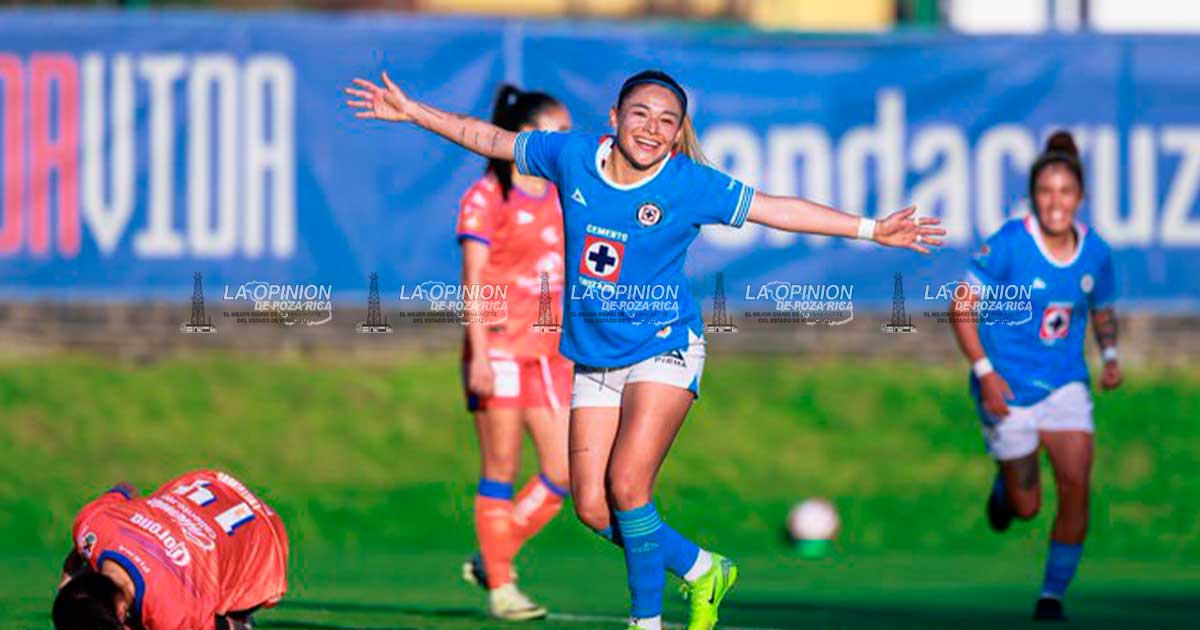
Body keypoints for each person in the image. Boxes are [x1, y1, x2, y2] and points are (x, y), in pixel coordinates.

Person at [346, 68, 942, 630]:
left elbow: (776, 209)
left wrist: (871, 229)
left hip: (665, 347)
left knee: (629, 488)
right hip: (595, 358)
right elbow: (492, 138)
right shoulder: (573, 155)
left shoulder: (690, 183)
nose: (652, 129)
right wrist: (413, 112)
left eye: (666, 120)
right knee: (593, 508)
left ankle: (647, 620)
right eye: (641, 114)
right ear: (615, 117)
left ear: (678, 131)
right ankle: (702, 569)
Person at [950, 131, 1121, 622]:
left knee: (1076, 486)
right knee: (1026, 507)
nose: (1056, 202)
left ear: (1079, 198)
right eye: (1046, 192)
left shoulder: (1096, 252)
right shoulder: (1008, 244)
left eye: (1065, 192)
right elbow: (961, 307)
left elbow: (1102, 307)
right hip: (1007, 386)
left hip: (1067, 383)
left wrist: (1109, 354)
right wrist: (983, 372)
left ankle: (1051, 596)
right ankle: (1006, 492)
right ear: (1033, 196)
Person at [455, 84, 573, 621]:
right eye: (560, 133)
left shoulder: (561, 194)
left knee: (565, 472)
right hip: (499, 350)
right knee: (501, 467)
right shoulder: (487, 196)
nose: (570, 144)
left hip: (549, 352)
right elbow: (474, 282)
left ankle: (493, 556)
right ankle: (503, 587)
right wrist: (478, 355)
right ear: (527, 137)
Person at [53, 470, 289, 630]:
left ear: (122, 609)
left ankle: (237, 624)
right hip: (209, 485)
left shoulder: (174, 613)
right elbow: (126, 488)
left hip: (260, 540)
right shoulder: (93, 524)